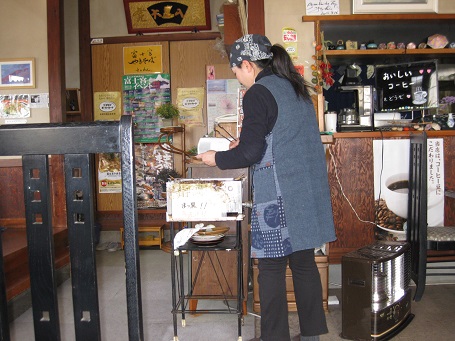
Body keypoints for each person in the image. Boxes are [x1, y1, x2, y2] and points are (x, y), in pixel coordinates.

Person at [196, 34, 337, 341]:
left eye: (235, 71)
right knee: (303, 263)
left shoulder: (258, 93)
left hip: (279, 195)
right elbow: (275, 138)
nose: (236, 77)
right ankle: (312, 336)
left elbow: (250, 154)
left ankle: (274, 337)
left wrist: (214, 157)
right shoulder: (295, 88)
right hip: (305, 192)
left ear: (247, 64)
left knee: (271, 269)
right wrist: (243, 143)